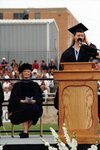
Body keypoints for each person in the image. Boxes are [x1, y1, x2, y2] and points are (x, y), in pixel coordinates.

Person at [54, 23, 98, 109]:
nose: (80, 37)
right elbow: (61, 68)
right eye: (78, 35)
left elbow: (95, 52)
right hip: (69, 83)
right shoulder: (67, 52)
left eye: (82, 35)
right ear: (74, 37)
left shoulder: (86, 50)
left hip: (84, 82)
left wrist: (87, 42)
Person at [8, 63, 44, 138]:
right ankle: (25, 132)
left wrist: (34, 101)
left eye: (28, 71)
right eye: (24, 71)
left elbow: (39, 97)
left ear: (30, 73)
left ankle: (25, 132)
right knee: (27, 109)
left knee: (32, 109)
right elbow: (13, 97)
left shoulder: (35, 85)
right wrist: (22, 101)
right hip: (19, 105)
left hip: (33, 105)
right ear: (22, 73)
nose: (26, 73)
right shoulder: (17, 85)